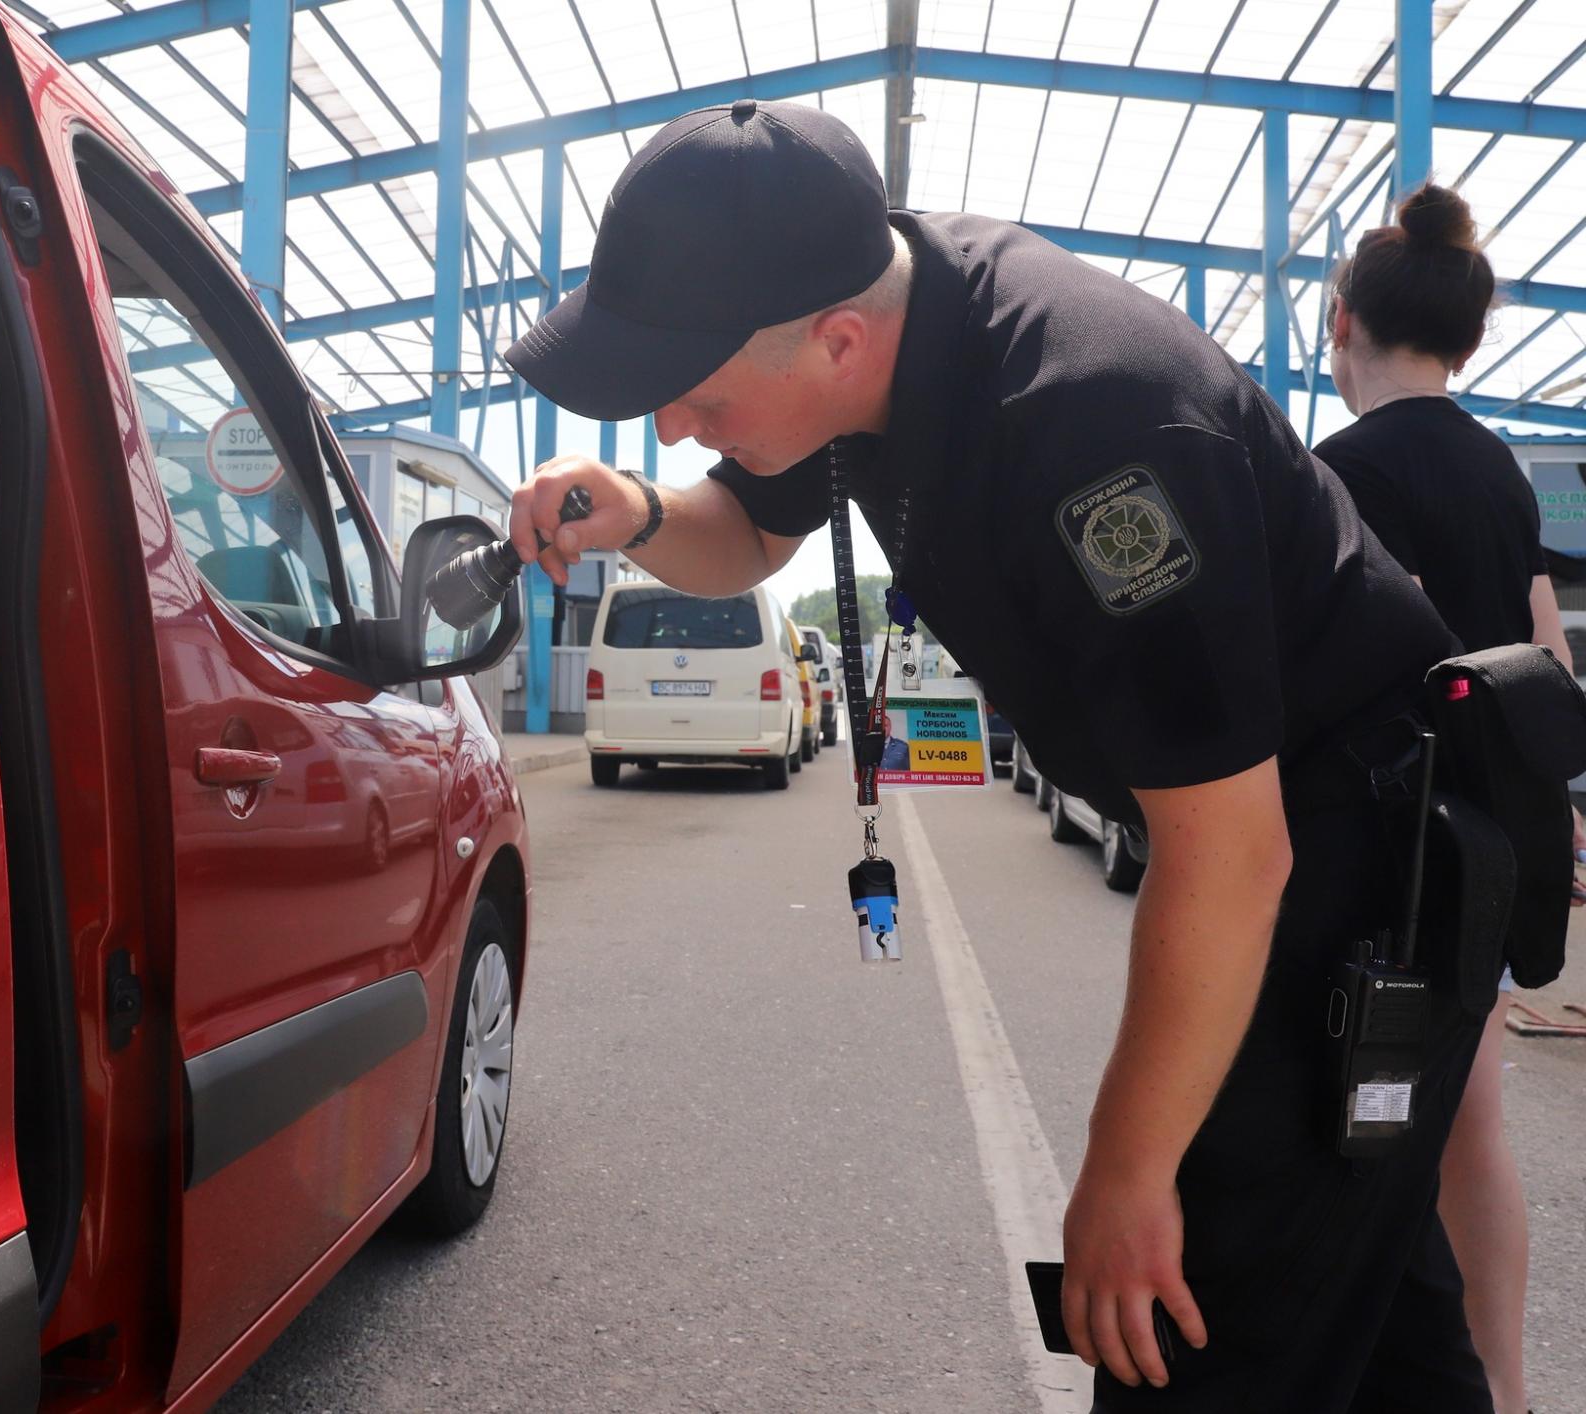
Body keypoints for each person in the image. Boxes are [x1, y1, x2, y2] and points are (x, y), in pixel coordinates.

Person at [502, 100, 1495, 1410]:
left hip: (1357, 861)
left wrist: (1128, 1177)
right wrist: (633, 512)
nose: (676, 423)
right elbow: (743, 532)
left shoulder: (1096, 432)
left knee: (1186, 1329)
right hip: (1302, 842)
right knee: (1378, 1339)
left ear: (836, 341)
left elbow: (1234, 849)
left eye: (695, 392)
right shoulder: (876, 316)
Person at [1314, 183, 1579, 1414]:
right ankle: (1507, 1391)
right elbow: (1543, 658)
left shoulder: (1334, 471)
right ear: (1464, 337)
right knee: (1469, 1129)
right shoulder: (1501, 476)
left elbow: (1349, 667)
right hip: (1484, 848)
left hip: (1379, 850)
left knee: (1358, 1129)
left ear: (1338, 324)